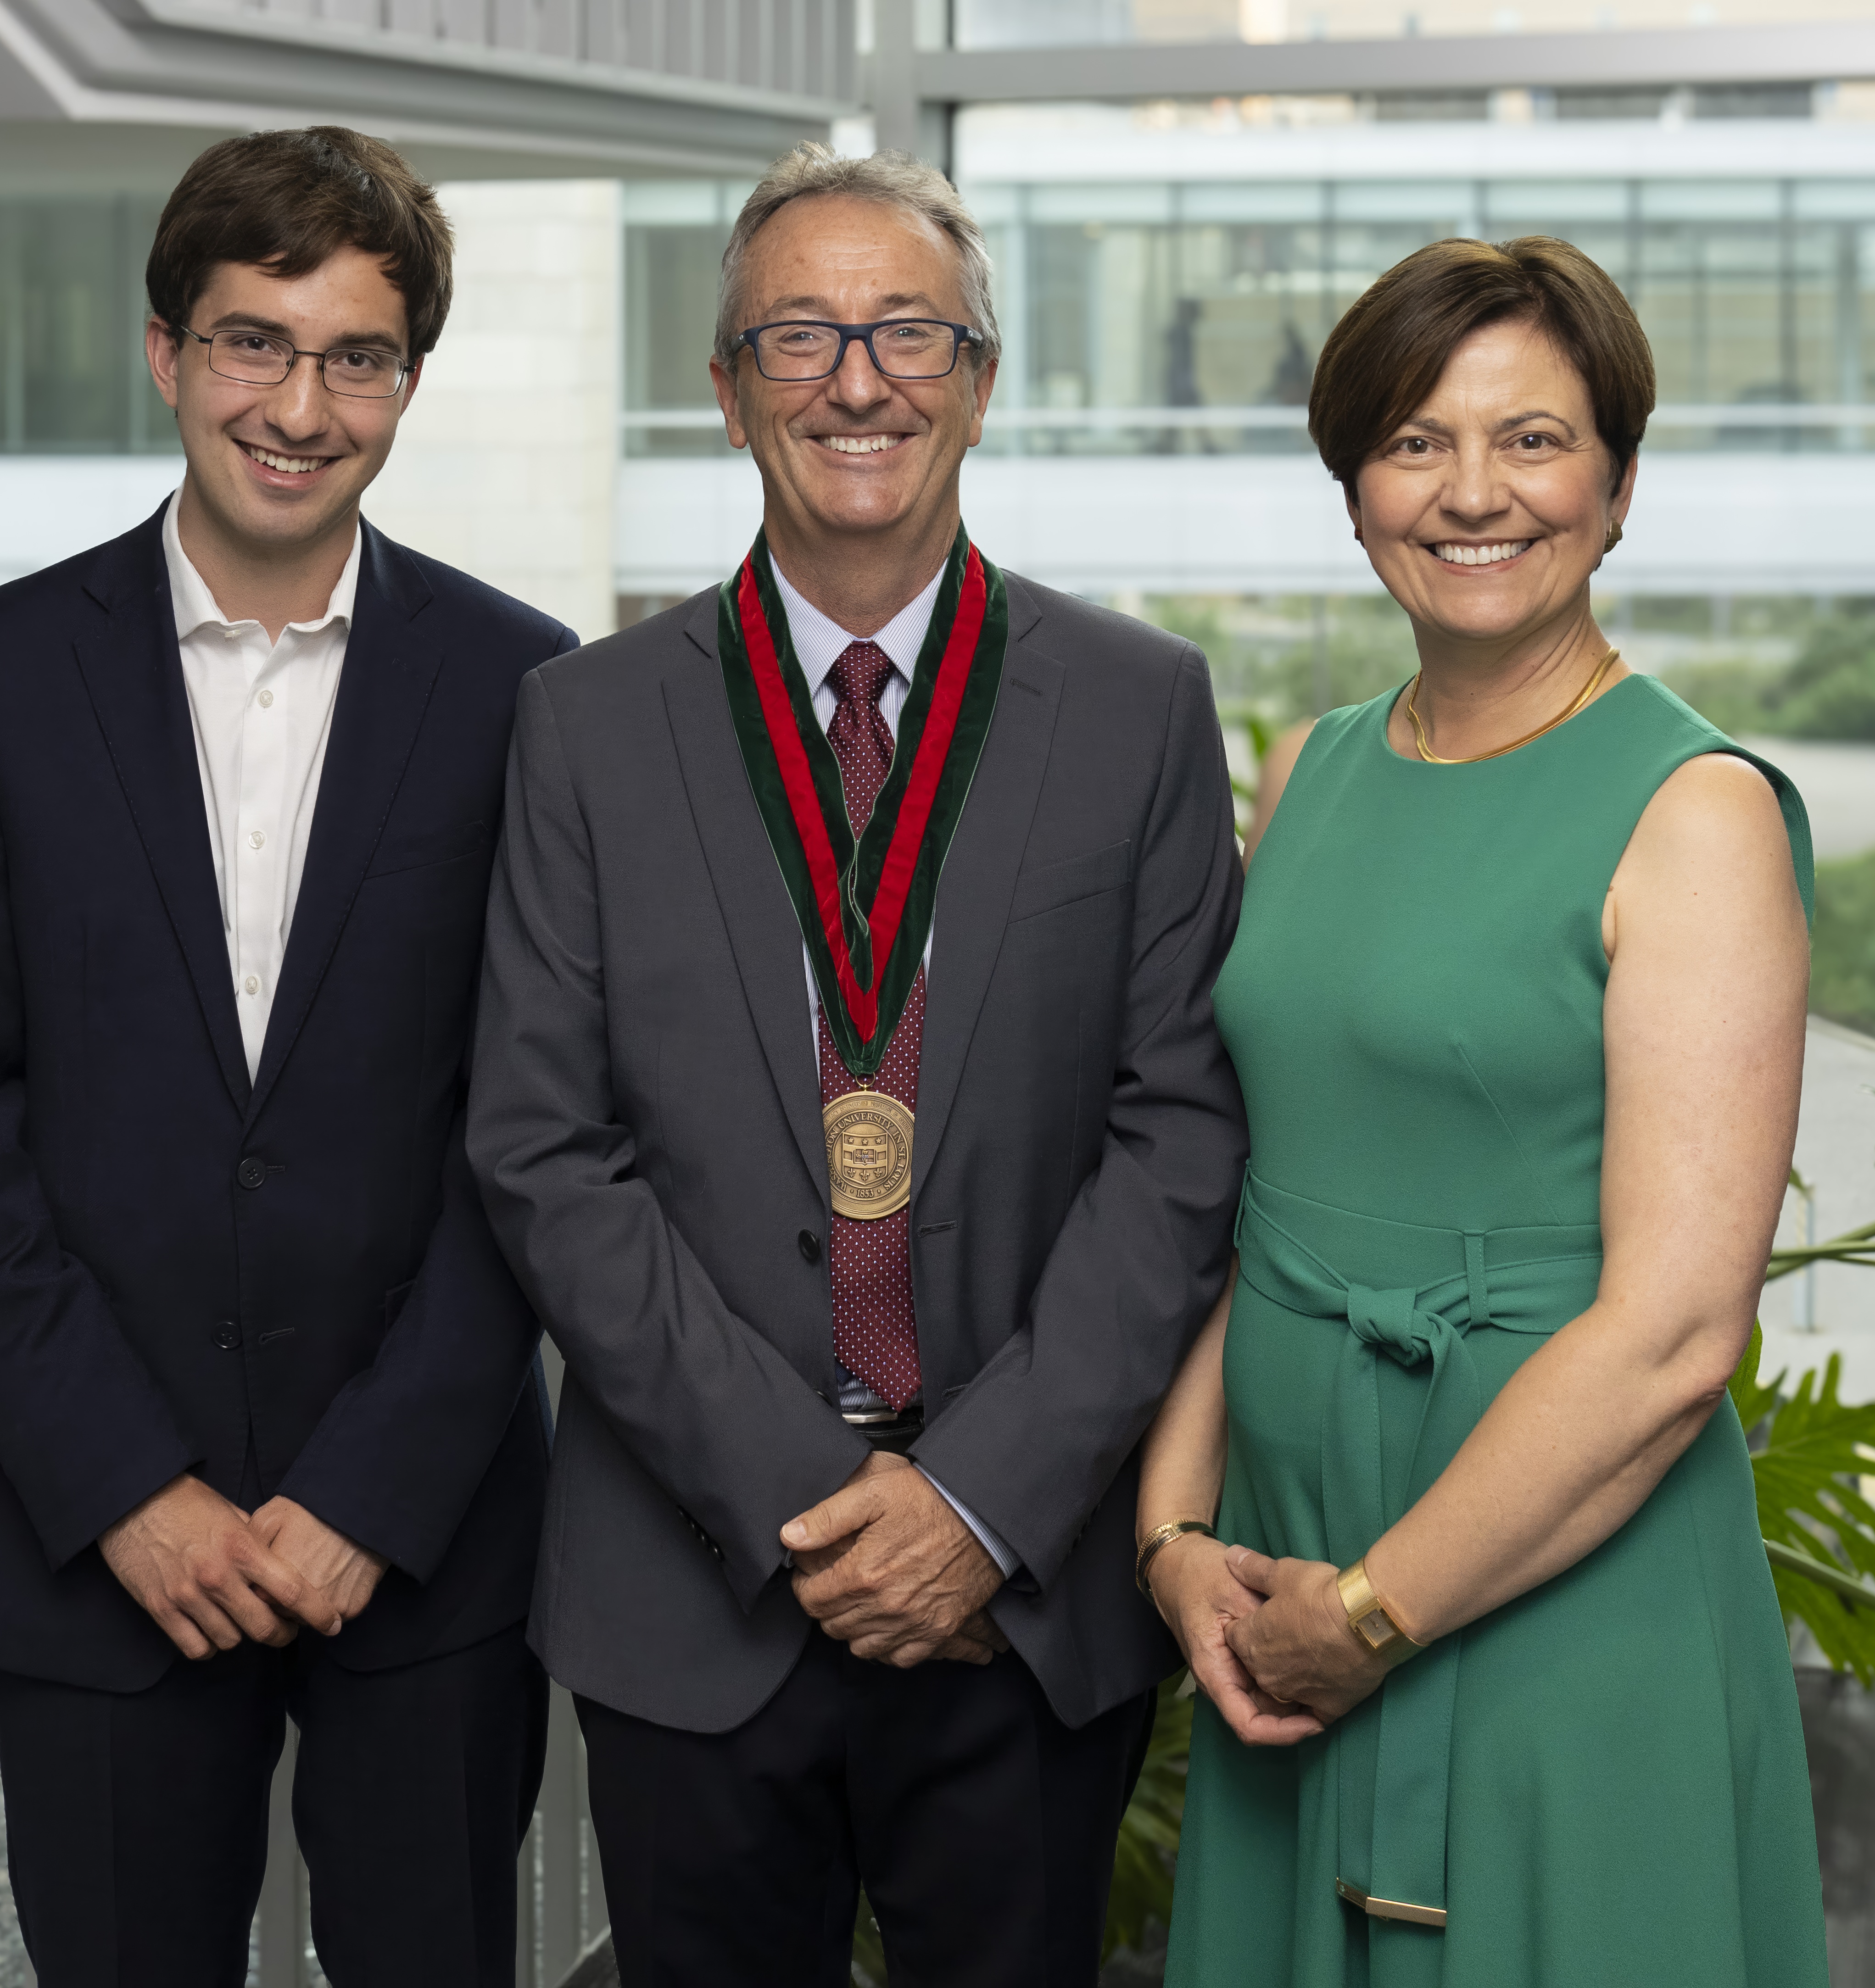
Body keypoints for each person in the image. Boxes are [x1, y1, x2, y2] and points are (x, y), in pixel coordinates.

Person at [469, 145, 1249, 1987]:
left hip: (1022, 1589)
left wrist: (972, 1502)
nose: (856, 378)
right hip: (695, 1588)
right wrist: (808, 1506)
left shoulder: (1136, 709)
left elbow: (1181, 1132)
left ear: (977, 379)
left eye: (905, 331)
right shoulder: (582, 723)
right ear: (725, 389)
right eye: (799, 335)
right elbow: (538, 1145)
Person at [0, 127, 573, 1988]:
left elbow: (543, 1120)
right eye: (254, 341)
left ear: (407, 381)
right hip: (99, 1547)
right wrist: (125, 1488)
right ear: (168, 350)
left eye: (355, 355)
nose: (299, 403)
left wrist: (372, 1493)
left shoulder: (530, 693)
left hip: (420, 1556)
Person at [1137, 235, 1828, 1986]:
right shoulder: (1312, 767)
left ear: (1616, 486)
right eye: (1414, 441)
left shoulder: (1695, 812)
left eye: (1531, 440)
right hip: (1280, 1582)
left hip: (1543, 1586)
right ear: (1352, 486)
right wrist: (1174, 1539)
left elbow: (1674, 1331)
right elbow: (1266, 1208)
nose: (1470, 493)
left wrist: (1373, 1617)